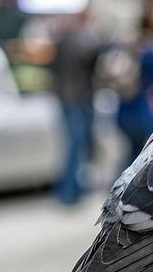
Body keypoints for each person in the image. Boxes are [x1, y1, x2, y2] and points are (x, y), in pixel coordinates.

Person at [50, 13, 100, 204]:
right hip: (77, 98)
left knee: (73, 144)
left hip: (67, 97)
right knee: (76, 145)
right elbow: (92, 56)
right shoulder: (79, 42)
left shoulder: (62, 42)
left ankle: (72, 189)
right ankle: (69, 192)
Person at [116, 0, 153, 170]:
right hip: (141, 107)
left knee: (133, 151)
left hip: (127, 105)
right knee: (139, 153)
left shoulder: (133, 43)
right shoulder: (151, 46)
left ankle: (120, 185)